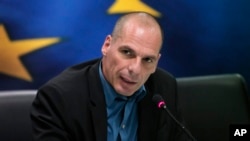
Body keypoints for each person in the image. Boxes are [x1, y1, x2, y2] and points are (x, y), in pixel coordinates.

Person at [30, 12, 192, 141]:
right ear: (107, 45)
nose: (135, 69)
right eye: (127, 52)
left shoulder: (165, 88)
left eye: (147, 60)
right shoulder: (59, 98)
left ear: (157, 62)